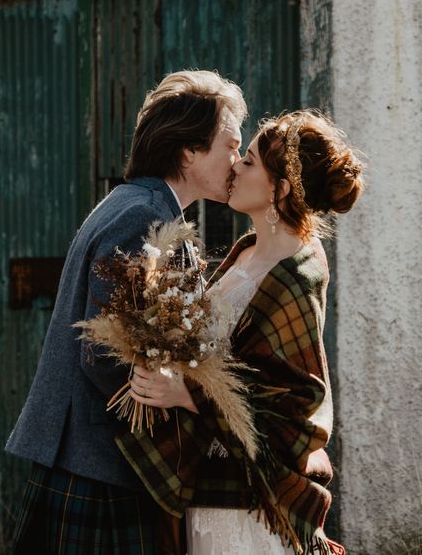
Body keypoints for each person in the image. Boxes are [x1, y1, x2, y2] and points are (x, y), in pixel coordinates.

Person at [6, 70, 247, 553]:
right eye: (231, 145)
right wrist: (179, 402)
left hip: (92, 459)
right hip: (99, 463)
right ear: (190, 150)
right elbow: (103, 350)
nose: (237, 161)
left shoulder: (141, 204)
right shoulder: (143, 215)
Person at [119, 110, 364, 555]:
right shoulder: (248, 250)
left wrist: (186, 393)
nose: (235, 168)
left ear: (281, 189)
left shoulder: (297, 275)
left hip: (249, 504)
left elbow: (290, 407)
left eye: (248, 161)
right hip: (210, 482)